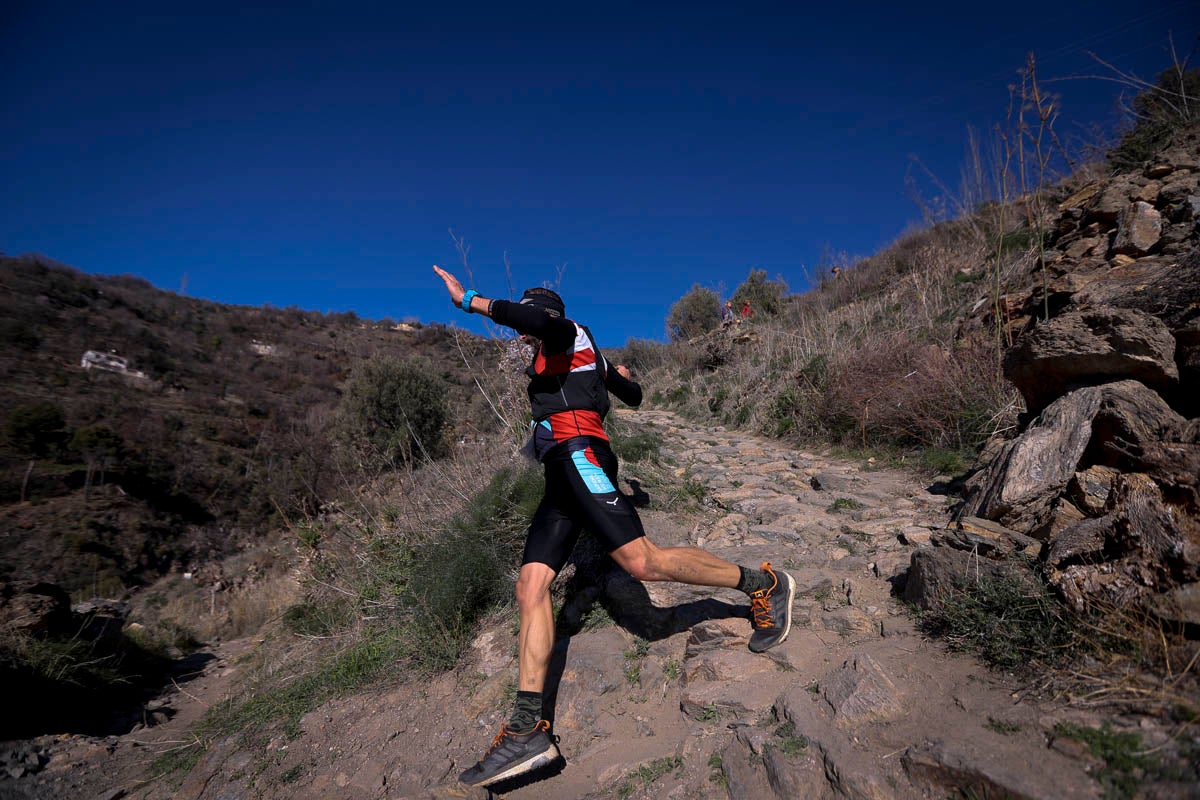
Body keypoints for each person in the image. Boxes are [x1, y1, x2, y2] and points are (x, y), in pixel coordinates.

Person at [432, 265, 795, 789]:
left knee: (642, 563)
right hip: (562, 471)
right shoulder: (581, 354)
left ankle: (765, 583)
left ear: (544, 320)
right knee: (531, 585)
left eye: (528, 328)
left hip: (580, 454)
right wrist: (615, 376)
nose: (522, 338)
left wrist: (470, 300)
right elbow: (636, 397)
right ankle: (526, 730)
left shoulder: (562, 331)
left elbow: (545, 327)